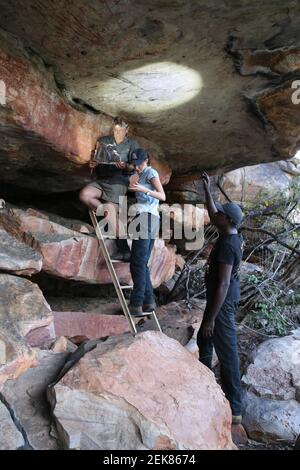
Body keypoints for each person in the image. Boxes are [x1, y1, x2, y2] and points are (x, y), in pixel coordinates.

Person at [197, 171, 244, 425]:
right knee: (203, 340)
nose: (217, 215)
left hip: (222, 303)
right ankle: (203, 385)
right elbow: (214, 214)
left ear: (227, 219)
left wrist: (211, 319)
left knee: (227, 353)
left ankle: (234, 408)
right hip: (221, 300)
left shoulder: (227, 245)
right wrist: (207, 188)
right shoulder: (231, 232)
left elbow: (224, 283)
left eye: (221, 213)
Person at [79, 116, 138, 261]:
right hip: (101, 179)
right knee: (85, 195)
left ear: (127, 130)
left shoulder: (132, 144)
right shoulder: (104, 140)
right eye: (116, 129)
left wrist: (126, 166)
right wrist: (92, 164)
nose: (118, 133)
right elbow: (96, 159)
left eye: (121, 130)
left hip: (118, 181)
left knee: (109, 212)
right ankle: (106, 213)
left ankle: (124, 249)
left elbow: (135, 167)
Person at [127, 148, 166, 316]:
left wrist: (144, 190)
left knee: (136, 262)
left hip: (146, 219)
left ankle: (136, 303)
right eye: (134, 165)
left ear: (146, 160)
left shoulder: (150, 172)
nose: (136, 167)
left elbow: (162, 196)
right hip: (149, 219)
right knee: (142, 263)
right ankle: (149, 301)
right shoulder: (141, 175)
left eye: (139, 164)